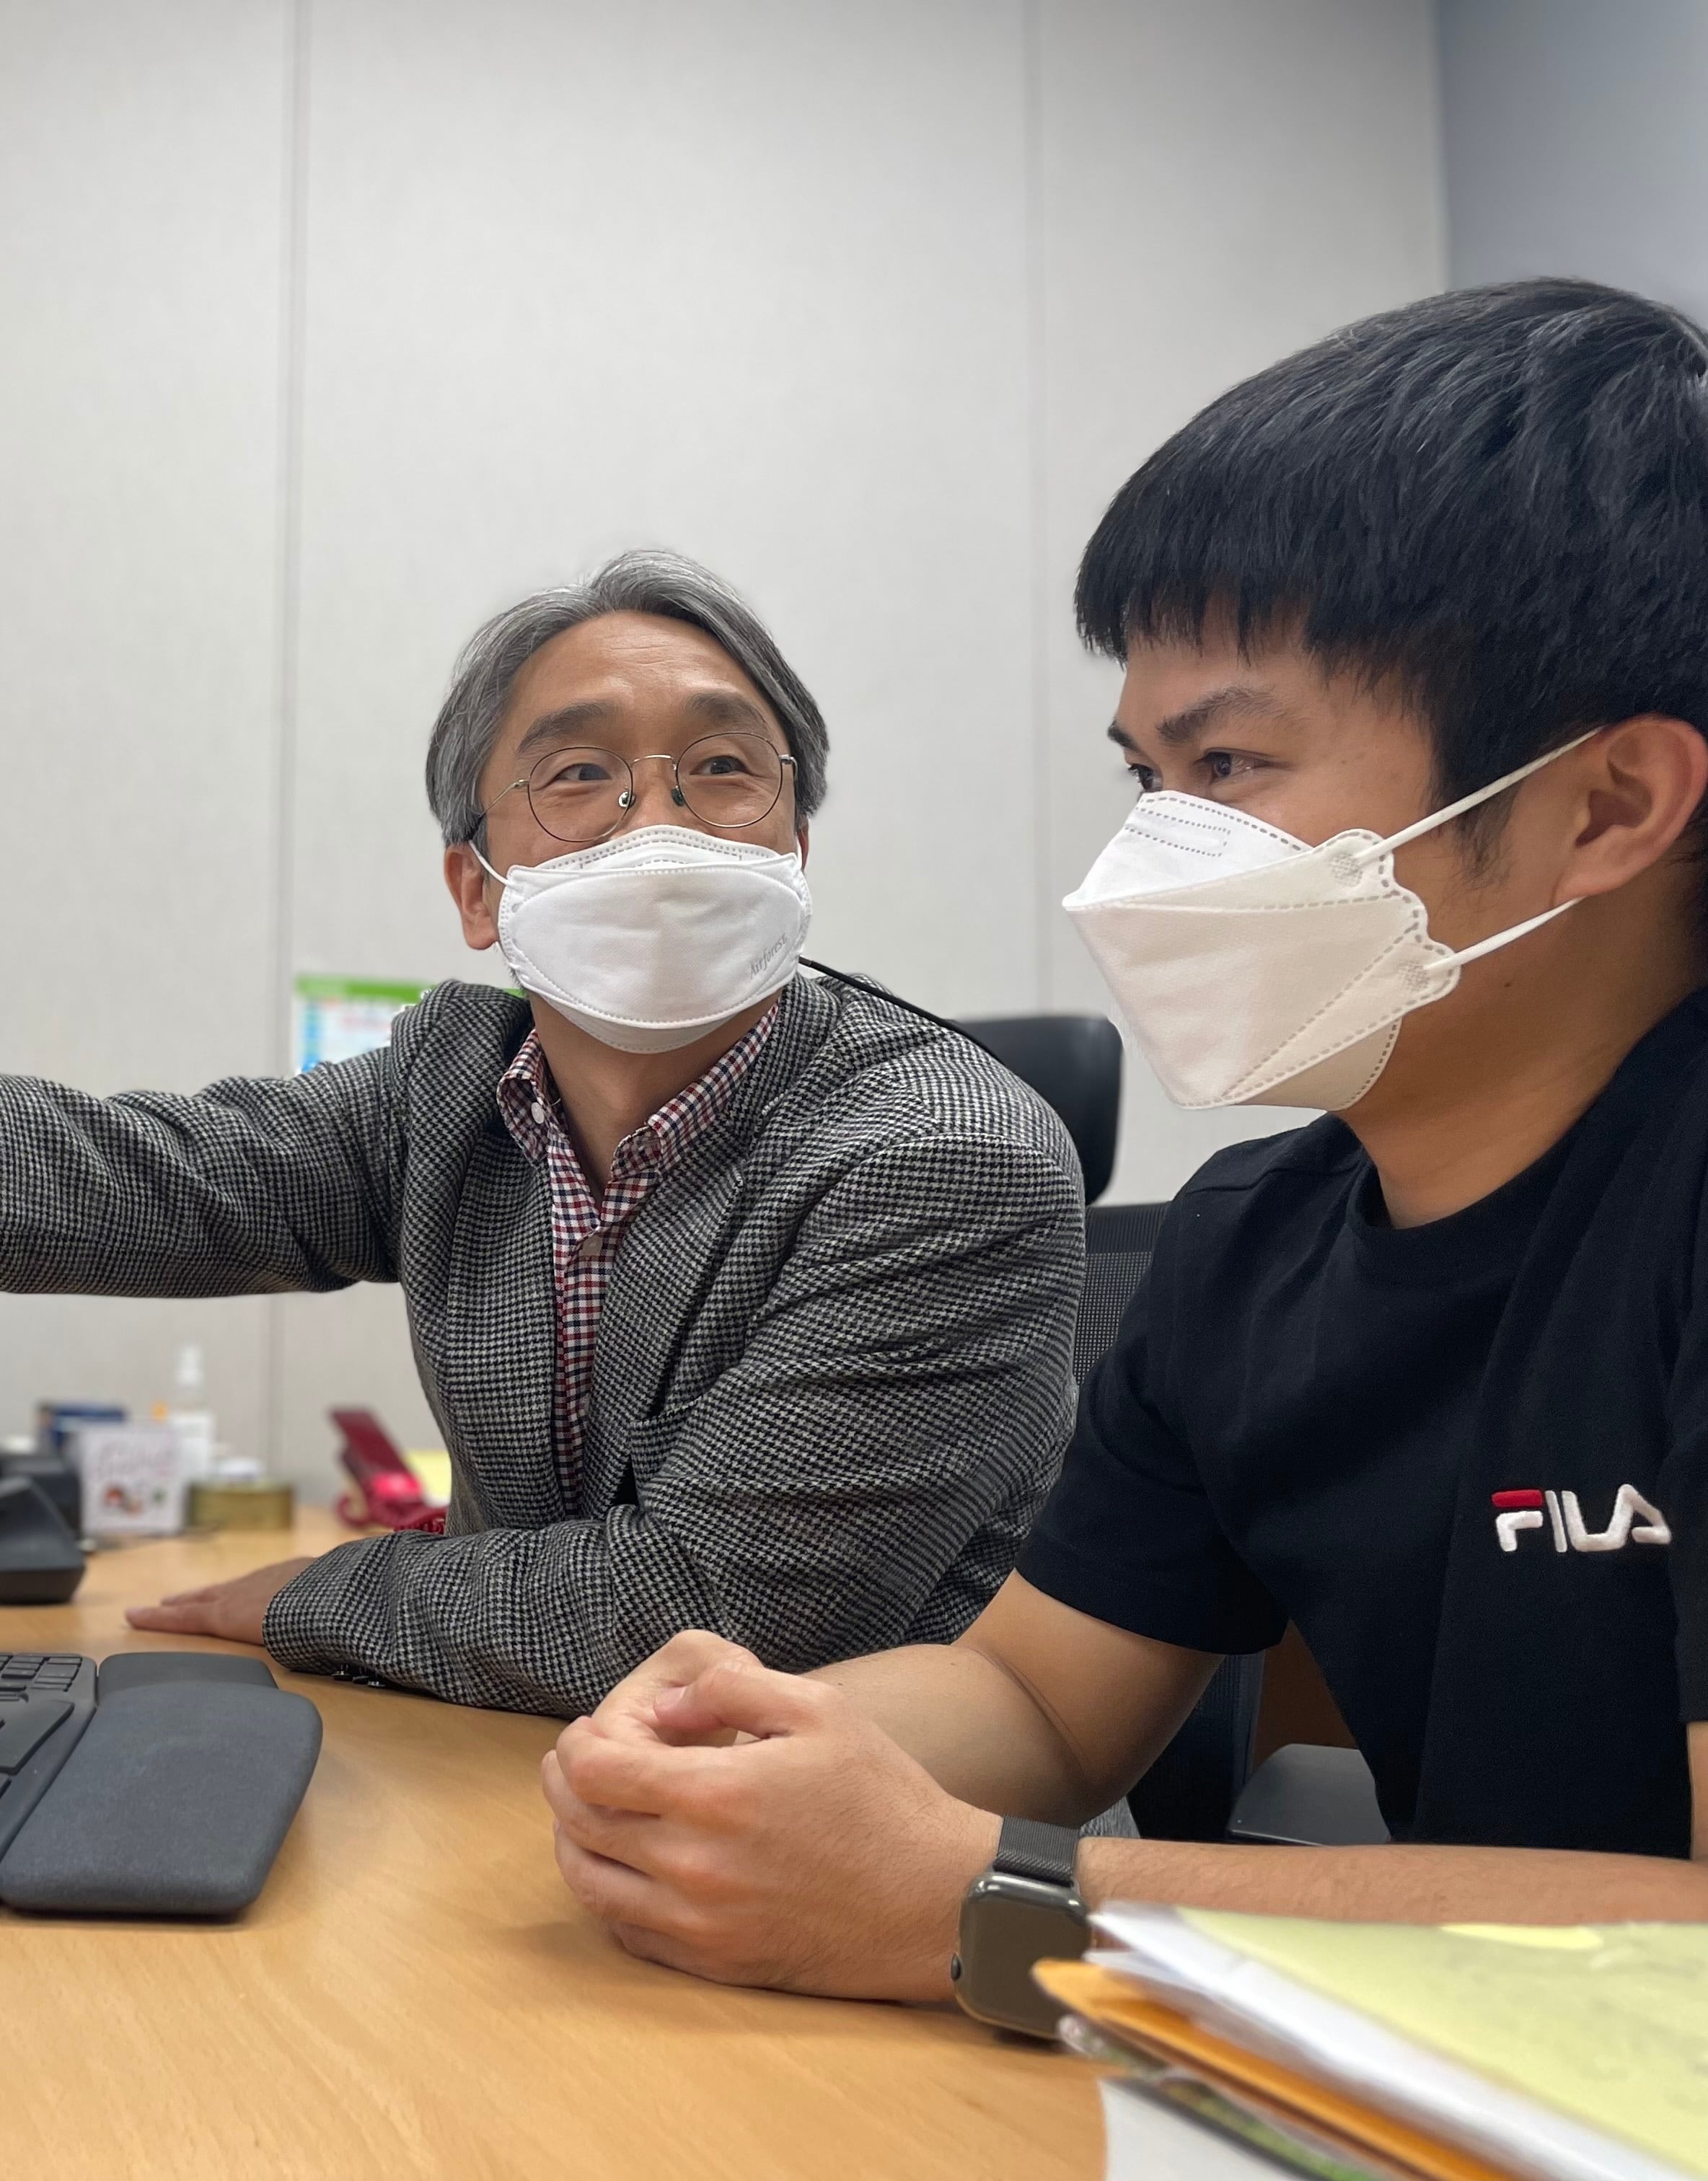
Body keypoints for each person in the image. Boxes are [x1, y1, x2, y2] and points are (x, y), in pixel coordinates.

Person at [542, 281, 1708, 2012]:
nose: (1151, 860)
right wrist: (731, 1741)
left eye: (1227, 763)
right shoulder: (1253, 1244)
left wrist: (1008, 1906)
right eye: (1145, 779)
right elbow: (1034, 1698)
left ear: (1605, 807)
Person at [0, 551, 1083, 1717]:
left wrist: (316, 1597)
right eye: (580, 776)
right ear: (475, 887)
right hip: (539, 1802)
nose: (661, 824)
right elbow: (130, 1178)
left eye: (724, 771)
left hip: (860, 1896)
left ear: (796, 843)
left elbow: (696, 1615)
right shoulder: (456, 1087)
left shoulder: (946, 1157)